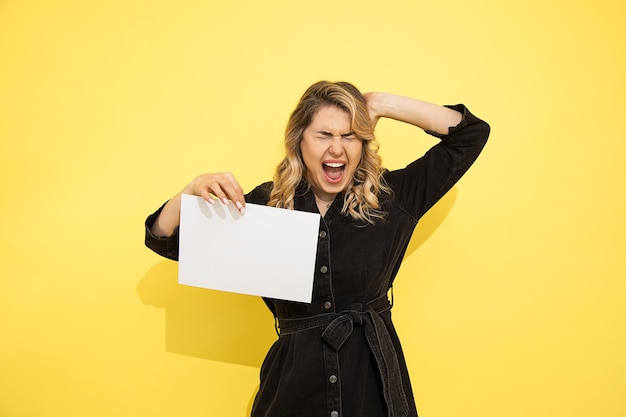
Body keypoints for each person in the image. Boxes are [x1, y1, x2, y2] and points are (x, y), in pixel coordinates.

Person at [145, 80, 490, 417]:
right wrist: (190, 191)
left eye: (349, 135)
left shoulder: (393, 200)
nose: (337, 148)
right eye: (324, 135)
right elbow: (165, 240)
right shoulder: (266, 207)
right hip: (294, 388)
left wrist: (380, 102)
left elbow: (471, 134)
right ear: (299, 142)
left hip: (371, 387)